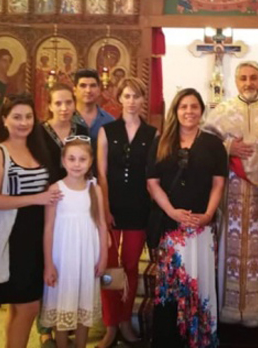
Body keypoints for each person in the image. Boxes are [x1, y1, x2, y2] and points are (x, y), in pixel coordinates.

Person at [203, 61, 258, 327]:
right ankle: (229, 309)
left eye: (253, 78)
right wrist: (229, 147)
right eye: (243, 78)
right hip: (231, 193)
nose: (248, 83)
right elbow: (205, 144)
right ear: (236, 81)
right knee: (231, 246)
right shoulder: (222, 111)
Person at [147, 88, 228, 347]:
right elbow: (152, 183)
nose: (189, 111)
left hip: (201, 227)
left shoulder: (213, 144)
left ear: (201, 110)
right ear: (176, 110)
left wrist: (208, 214)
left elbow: (218, 183)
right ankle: (169, 340)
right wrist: (171, 211)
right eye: (183, 106)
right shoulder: (162, 142)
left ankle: (200, 338)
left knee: (201, 281)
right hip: (171, 227)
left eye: (194, 106)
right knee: (171, 287)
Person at [0, 93, 62, 348]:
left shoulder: (38, 148)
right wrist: (37, 198)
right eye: (16, 117)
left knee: (19, 307)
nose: (23, 122)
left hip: (38, 233)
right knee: (27, 306)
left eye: (28, 116)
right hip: (13, 235)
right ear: (4, 120)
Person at [97, 78, 157, 347]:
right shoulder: (107, 131)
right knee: (110, 268)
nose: (132, 101)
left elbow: (153, 174)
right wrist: (105, 209)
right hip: (112, 208)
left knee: (131, 266)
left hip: (138, 209)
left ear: (143, 99)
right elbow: (101, 173)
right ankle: (111, 325)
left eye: (137, 96)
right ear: (119, 99)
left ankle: (125, 321)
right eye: (127, 96)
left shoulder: (152, 134)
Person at [40, 137, 108, 348]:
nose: (77, 164)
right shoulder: (55, 189)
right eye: (71, 158)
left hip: (87, 255)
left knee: (83, 304)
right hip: (63, 256)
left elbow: (102, 225)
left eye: (82, 159)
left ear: (90, 162)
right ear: (63, 161)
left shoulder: (94, 189)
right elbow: (49, 227)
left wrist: (103, 257)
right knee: (64, 304)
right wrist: (49, 264)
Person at [38, 83, 90, 346]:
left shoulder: (81, 131)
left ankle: (68, 327)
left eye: (68, 102)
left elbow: (87, 162)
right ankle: (46, 328)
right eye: (58, 103)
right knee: (50, 268)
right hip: (45, 200)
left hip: (77, 198)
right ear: (49, 105)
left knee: (72, 271)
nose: (64, 108)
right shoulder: (38, 132)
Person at [73, 68, 115, 146]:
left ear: (99, 90)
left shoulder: (109, 121)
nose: (88, 90)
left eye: (93, 86)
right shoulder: (67, 119)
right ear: (74, 90)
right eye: (83, 86)